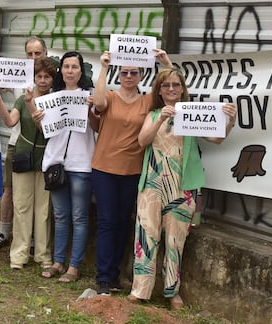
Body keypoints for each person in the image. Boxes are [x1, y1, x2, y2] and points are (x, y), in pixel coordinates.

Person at [127, 68, 237, 309]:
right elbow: (142, 141)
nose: (171, 89)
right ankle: (140, 289)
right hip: (153, 184)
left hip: (182, 186)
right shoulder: (154, 114)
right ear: (159, 90)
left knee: (177, 240)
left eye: (176, 85)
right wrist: (160, 120)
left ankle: (171, 291)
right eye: (166, 86)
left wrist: (230, 121)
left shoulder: (191, 114)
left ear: (183, 88)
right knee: (147, 234)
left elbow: (217, 139)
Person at [91, 49, 172, 296]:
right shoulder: (110, 97)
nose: (128, 76)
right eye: (124, 72)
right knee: (106, 221)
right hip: (104, 168)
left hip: (133, 170)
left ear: (140, 74)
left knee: (123, 222)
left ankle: (114, 274)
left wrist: (166, 63)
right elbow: (97, 103)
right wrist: (104, 66)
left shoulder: (148, 101)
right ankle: (103, 277)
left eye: (133, 72)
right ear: (119, 73)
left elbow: (173, 93)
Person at [0, 57, 57, 269]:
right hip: (24, 155)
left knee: (43, 209)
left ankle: (43, 255)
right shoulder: (22, 99)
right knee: (22, 205)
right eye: (39, 76)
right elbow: (10, 121)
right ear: (33, 78)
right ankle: (18, 254)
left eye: (47, 77)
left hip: (47, 158)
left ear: (52, 79)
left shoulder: (55, 100)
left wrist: (31, 104)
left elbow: (49, 131)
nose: (43, 81)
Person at [38, 51, 99, 283]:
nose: (70, 71)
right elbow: (46, 132)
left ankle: (74, 267)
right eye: (66, 66)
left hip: (81, 163)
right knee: (60, 215)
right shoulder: (52, 97)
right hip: (56, 162)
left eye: (74, 67)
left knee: (79, 217)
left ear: (81, 71)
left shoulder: (90, 96)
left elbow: (97, 127)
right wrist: (38, 118)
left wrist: (91, 109)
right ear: (60, 70)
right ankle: (58, 261)